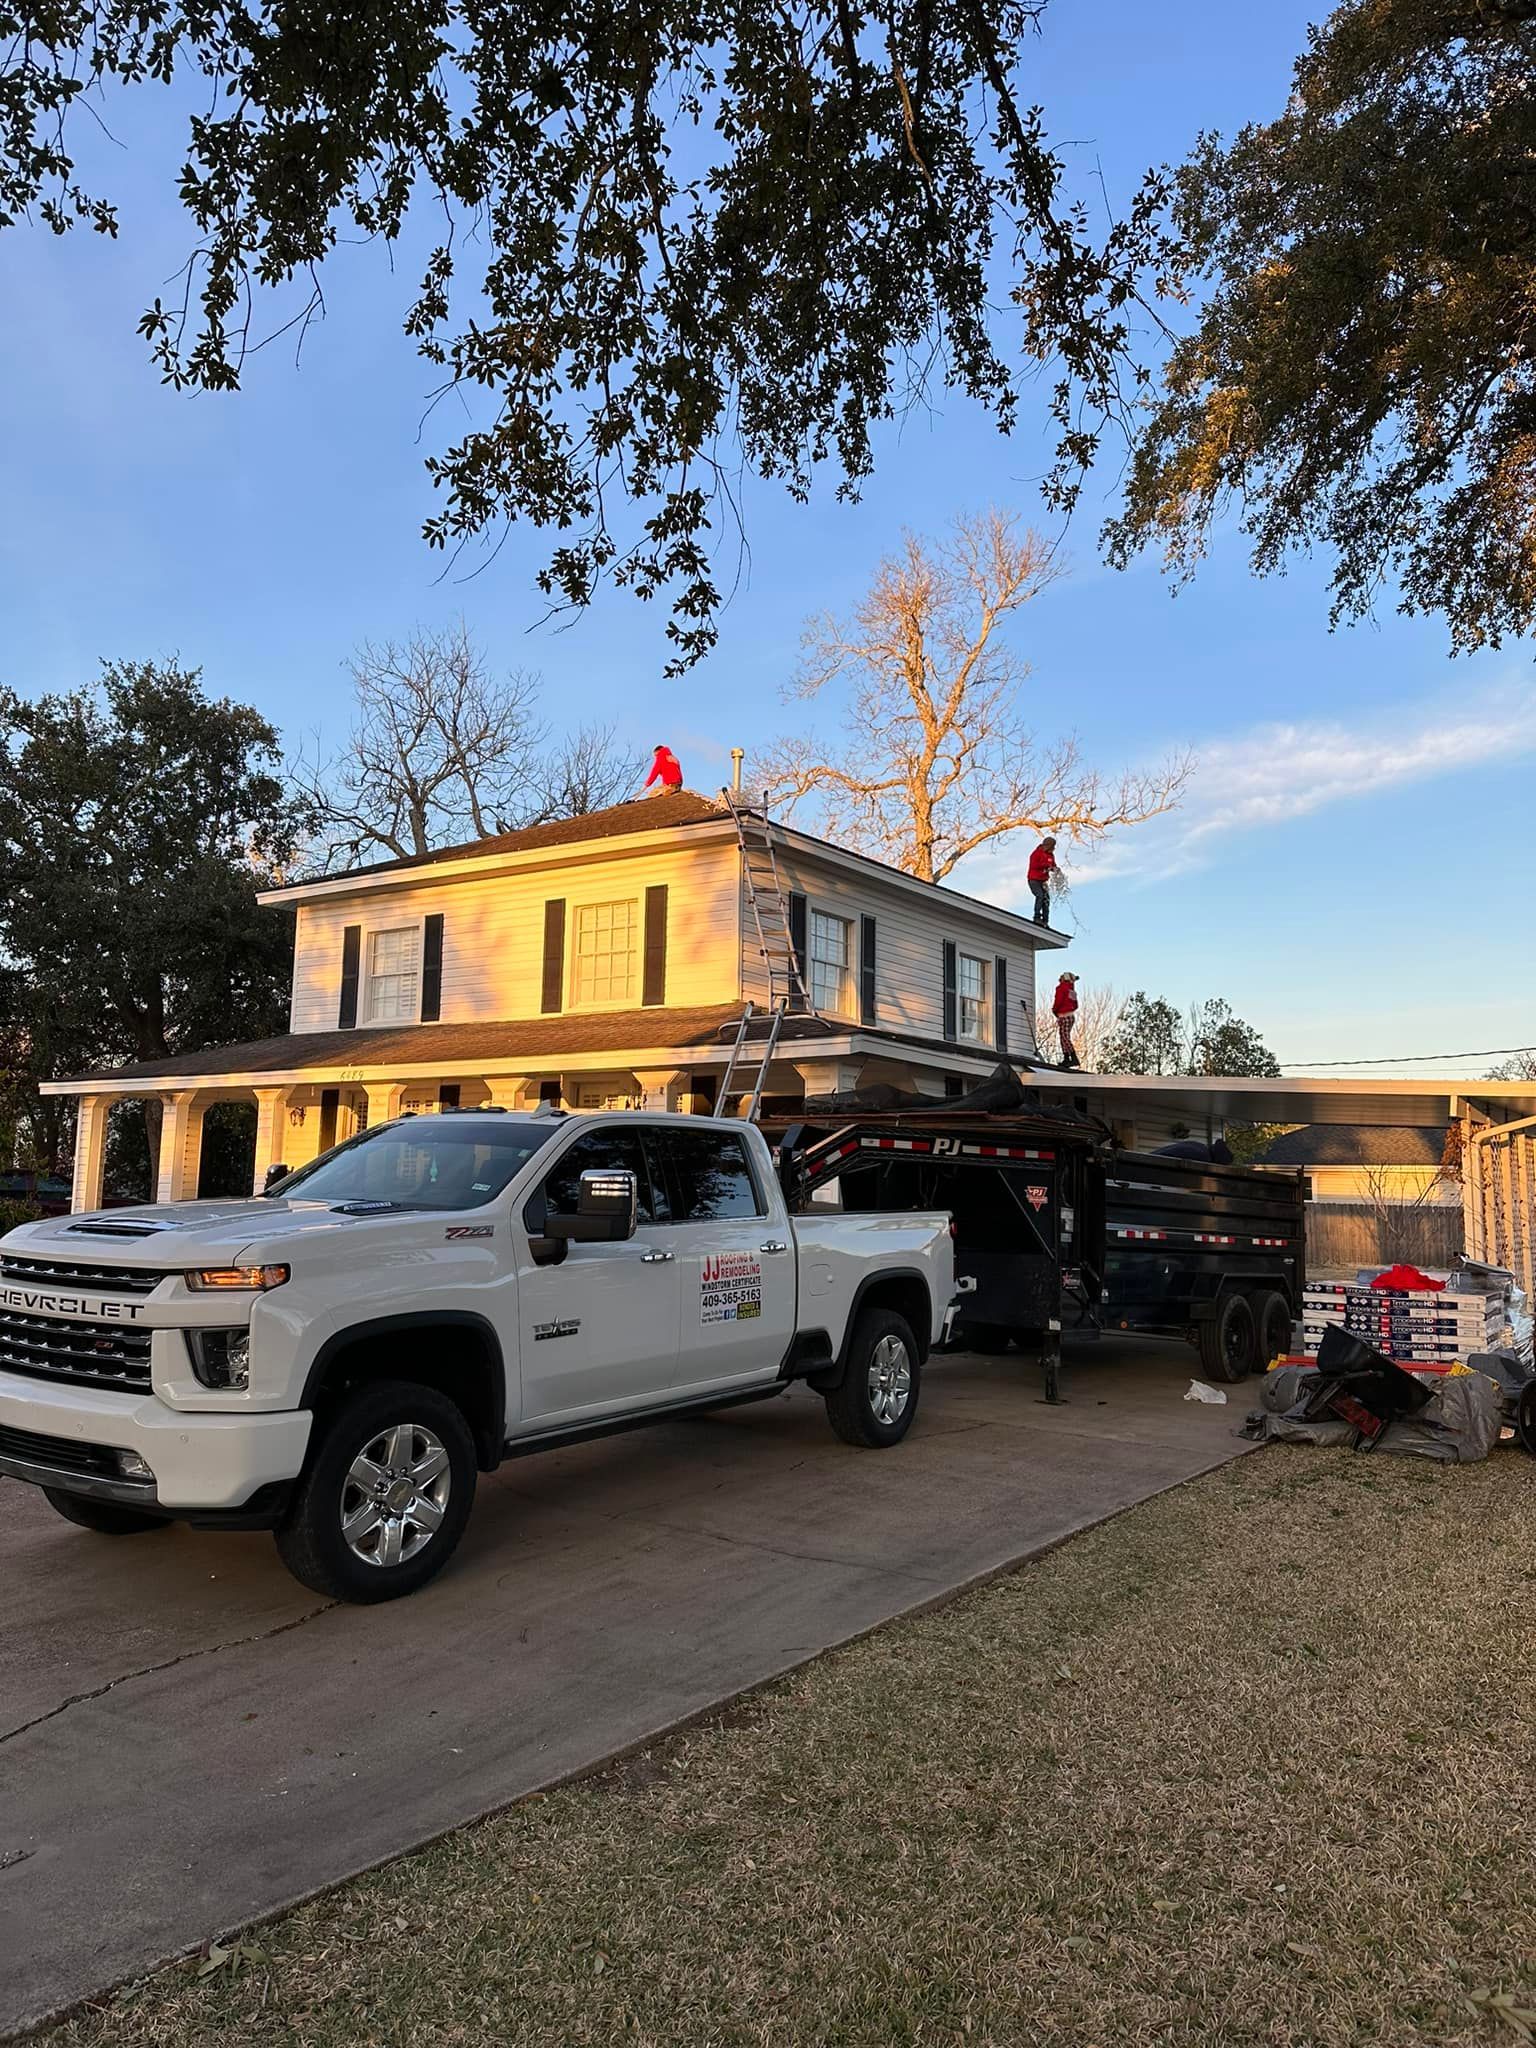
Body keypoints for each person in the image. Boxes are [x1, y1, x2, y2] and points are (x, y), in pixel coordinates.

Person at [1027, 835, 1058, 925]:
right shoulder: (1036, 853)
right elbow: (1034, 866)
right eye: (1052, 846)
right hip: (1034, 879)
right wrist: (1046, 866)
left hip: (1043, 881)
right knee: (1040, 895)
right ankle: (1037, 916)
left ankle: (1045, 920)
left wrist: (1055, 869)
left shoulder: (1051, 855)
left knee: (1046, 899)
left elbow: (1053, 865)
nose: (1053, 849)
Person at [1052, 971, 1080, 1069]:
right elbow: (1076, 1005)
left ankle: (1072, 1057)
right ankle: (1067, 1058)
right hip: (1070, 1015)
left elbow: (1058, 1001)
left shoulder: (1061, 988)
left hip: (1064, 1015)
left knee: (1064, 1037)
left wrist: (1055, 1010)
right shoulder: (1072, 991)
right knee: (1064, 1036)